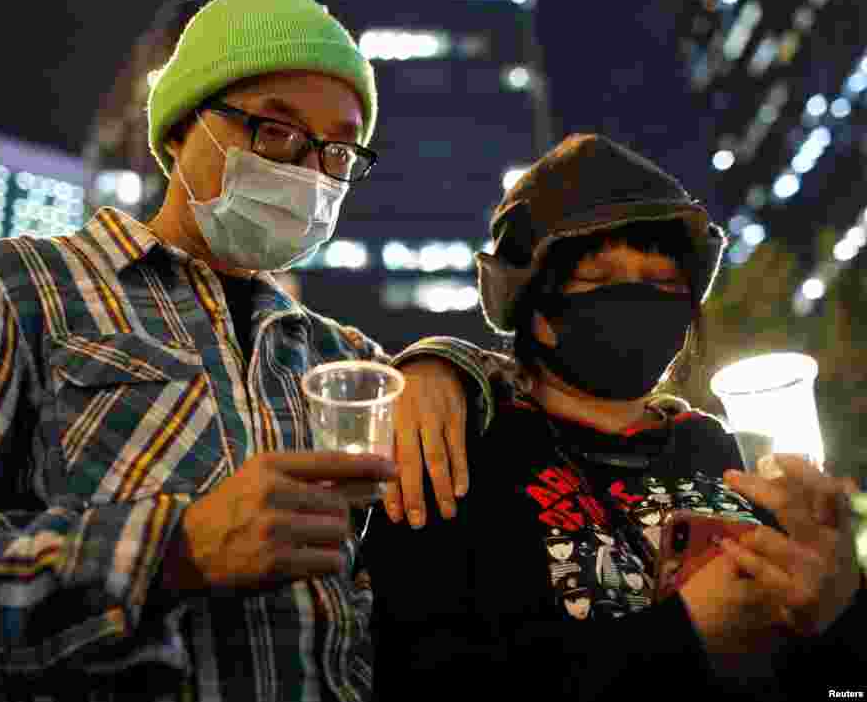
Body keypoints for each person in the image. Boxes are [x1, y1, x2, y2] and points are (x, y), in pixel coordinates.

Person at [0, 0, 494, 701]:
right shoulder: (15, 286)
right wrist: (170, 551)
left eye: (337, 149)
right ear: (184, 129)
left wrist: (447, 364)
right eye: (275, 130)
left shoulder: (346, 359)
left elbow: (526, 390)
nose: (308, 171)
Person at [364, 134, 866, 700]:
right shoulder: (452, 451)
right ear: (540, 314)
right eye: (601, 281)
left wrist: (844, 614)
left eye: (661, 284)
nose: (638, 302)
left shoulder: (730, 455)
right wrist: (688, 634)